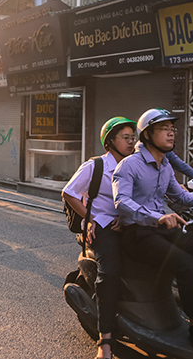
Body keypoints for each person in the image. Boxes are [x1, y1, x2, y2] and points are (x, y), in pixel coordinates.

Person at [112, 108, 193, 352]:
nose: (171, 134)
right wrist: (157, 217)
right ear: (147, 135)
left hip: (163, 230)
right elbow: (122, 202)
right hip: (138, 234)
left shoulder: (165, 166)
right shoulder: (129, 166)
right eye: (164, 129)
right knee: (186, 264)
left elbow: (180, 197)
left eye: (172, 129)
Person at [62, 117, 137, 359]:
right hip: (100, 227)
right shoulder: (95, 166)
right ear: (110, 142)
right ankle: (105, 339)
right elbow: (69, 193)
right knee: (110, 272)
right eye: (126, 138)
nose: (131, 142)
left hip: (128, 225)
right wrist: (92, 218)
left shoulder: (135, 166)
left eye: (133, 137)